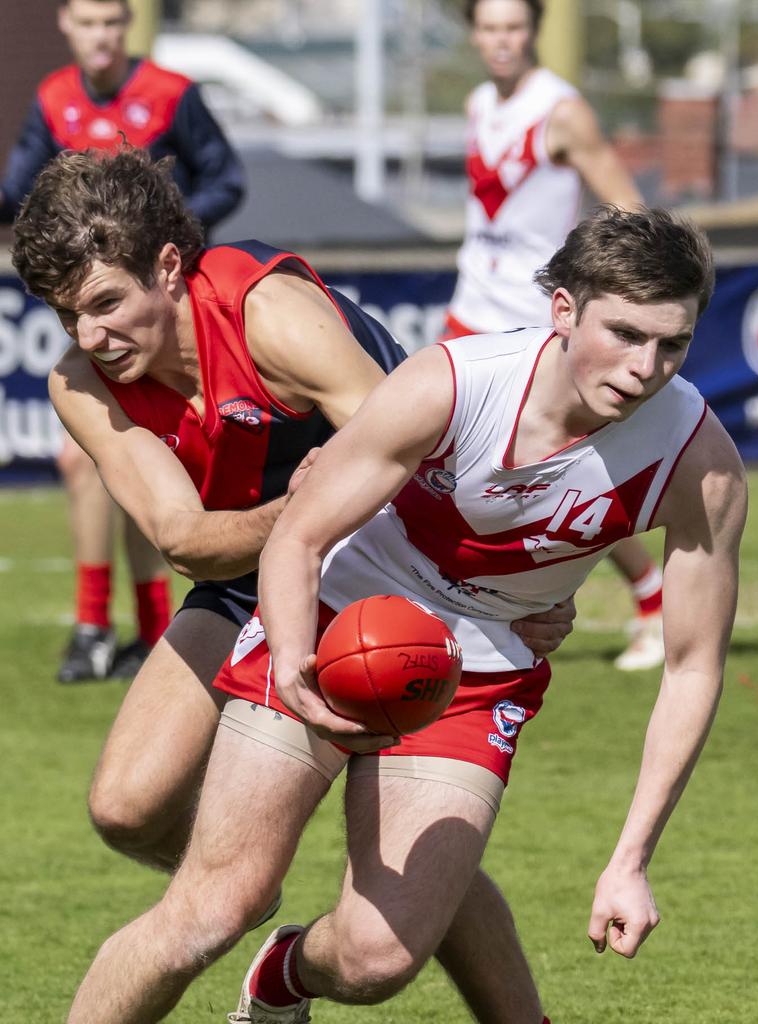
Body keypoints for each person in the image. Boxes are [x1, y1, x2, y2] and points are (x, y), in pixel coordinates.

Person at [12, 145, 577, 1023]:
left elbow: (423, 465)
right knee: (126, 808)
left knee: (385, 908)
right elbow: (185, 542)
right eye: (66, 314)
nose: (90, 336)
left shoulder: (270, 316)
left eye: (105, 304)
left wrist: (523, 584)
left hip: (393, 567)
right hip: (248, 567)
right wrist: (299, 512)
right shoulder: (82, 381)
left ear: (168, 267)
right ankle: (251, 867)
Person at [0, 0, 245, 683]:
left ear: (127, 25)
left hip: (163, 315)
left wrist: (164, 234)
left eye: (113, 20)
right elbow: (20, 193)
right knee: (90, 463)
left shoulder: (172, 95)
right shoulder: (53, 100)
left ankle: (146, 629)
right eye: (88, 20)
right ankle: (95, 628)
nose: (101, 35)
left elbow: (227, 176)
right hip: (102, 317)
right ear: (66, 26)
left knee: (150, 468)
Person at [444, 0, 665, 671]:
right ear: (474, 32)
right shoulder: (480, 101)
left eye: (513, 27)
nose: (501, 41)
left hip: (533, 315)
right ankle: (458, 604)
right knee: (443, 465)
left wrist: (612, 289)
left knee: (557, 474)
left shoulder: (560, 109)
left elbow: (627, 208)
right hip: (468, 305)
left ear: (534, 30)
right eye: (489, 28)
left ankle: (652, 596)